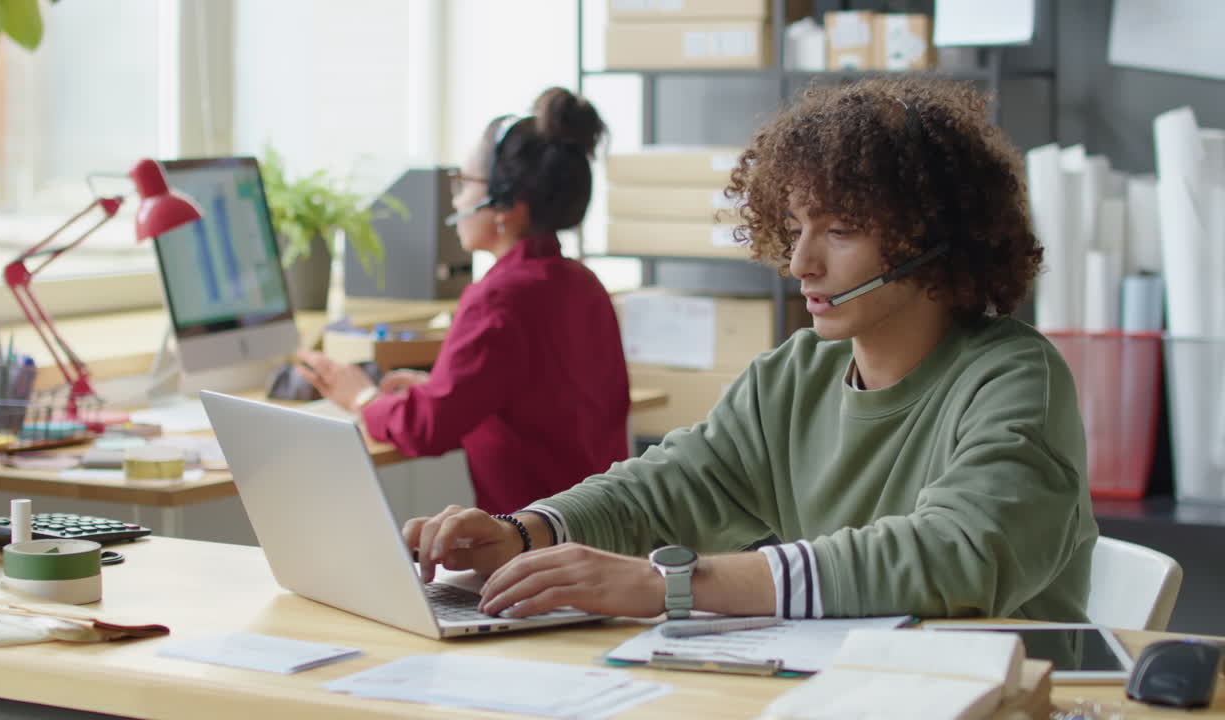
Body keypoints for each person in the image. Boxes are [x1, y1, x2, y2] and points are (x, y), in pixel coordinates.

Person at [403, 75, 1099, 623]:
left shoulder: (1015, 379)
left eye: (842, 230)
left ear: (935, 236)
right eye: (795, 228)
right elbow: (668, 486)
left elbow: (955, 557)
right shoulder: (796, 375)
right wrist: (524, 533)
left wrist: (669, 584)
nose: (801, 263)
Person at [297, 87, 629, 515]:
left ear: (507, 205)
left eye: (464, 183)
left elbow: (427, 430)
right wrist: (436, 388)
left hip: (535, 540)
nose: (455, 200)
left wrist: (362, 398)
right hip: (600, 528)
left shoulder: (499, 298)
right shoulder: (583, 283)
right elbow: (532, 398)